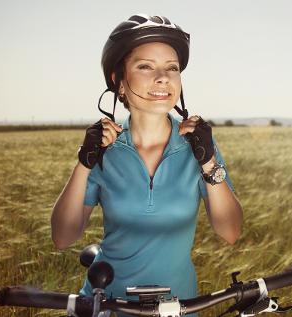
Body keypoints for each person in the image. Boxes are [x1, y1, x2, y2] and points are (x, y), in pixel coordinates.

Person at [50, 14, 243, 316]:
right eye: (145, 66)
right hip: (109, 305)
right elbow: (63, 237)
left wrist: (208, 162)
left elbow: (230, 231)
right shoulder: (104, 148)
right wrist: (85, 163)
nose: (163, 78)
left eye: (172, 68)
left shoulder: (198, 145)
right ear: (119, 81)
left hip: (179, 307)